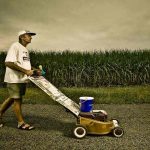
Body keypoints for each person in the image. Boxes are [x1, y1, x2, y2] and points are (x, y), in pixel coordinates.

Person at [0, 30, 40, 130]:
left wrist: (35, 70)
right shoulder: (15, 46)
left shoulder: (25, 50)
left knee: (12, 98)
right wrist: (26, 71)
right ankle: (21, 123)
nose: (31, 37)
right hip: (14, 78)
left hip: (21, 79)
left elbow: (26, 65)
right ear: (22, 37)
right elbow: (8, 62)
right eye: (29, 35)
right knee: (17, 100)